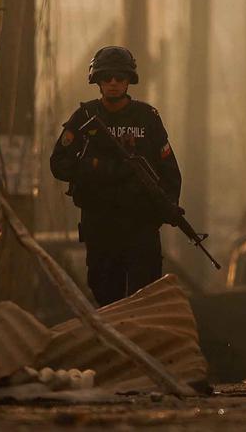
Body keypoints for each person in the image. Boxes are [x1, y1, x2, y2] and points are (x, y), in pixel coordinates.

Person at [49, 46, 181, 306]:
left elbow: (169, 170)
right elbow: (59, 163)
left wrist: (169, 205)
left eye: (119, 77)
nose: (113, 83)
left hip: (141, 224)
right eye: (106, 77)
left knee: (147, 300)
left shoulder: (147, 118)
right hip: (101, 225)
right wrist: (97, 167)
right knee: (107, 299)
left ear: (129, 80)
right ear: (97, 80)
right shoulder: (85, 117)